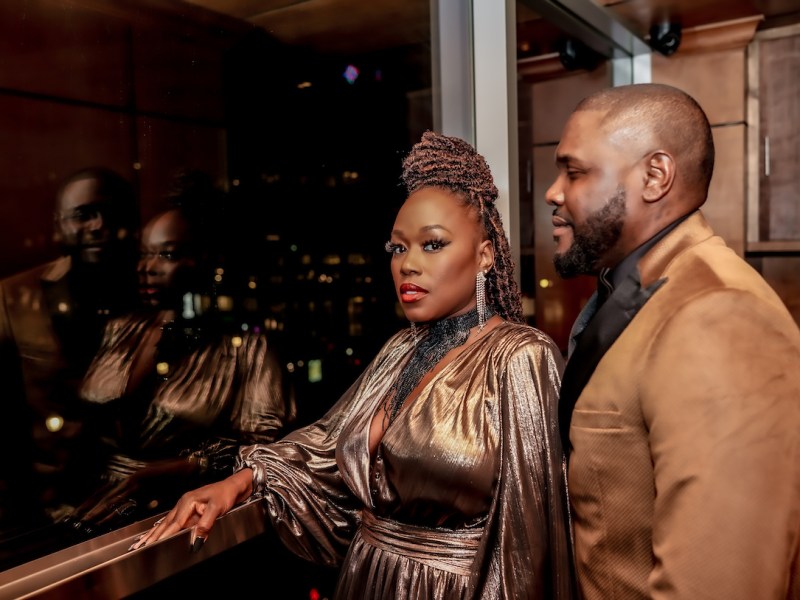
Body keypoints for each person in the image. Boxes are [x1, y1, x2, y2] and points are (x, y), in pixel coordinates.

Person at [132, 131, 576, 599]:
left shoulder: (521, 356)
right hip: (365, 579)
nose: (408, 265)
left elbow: (529, 541)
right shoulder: (399, 350)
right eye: (398, 248)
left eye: (433, 244)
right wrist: (238, 483)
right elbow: (325, 446)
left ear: (485, 255)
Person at [546, 82, 800, 599]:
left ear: (654, 176)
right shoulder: (638, 287)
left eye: (574, 172)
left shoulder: (717, 315)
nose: (554, 191)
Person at [66, 171, 297, 535]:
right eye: (144, 254)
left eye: (167, 254)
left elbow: (265, 451)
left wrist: (187, 466)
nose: (147, 269)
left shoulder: (246, 348)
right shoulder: (121, 328)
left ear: (205, 260)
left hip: (178, 519)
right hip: (89, 510)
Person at [0, 167, 139, 542]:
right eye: (83, 215)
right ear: (59, 223)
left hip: (132, 508)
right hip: (40, 515)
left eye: (110, 215)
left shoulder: (145, 295)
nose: (98, 226)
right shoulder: (13, 299)